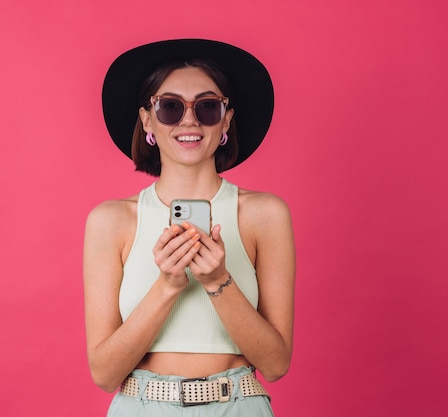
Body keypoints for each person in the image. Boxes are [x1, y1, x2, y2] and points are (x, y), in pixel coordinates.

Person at [83, 39, 295, 416]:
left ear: (226, 118)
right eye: (170, 107)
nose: (189, 120)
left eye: (207, 107)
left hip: (239, 405)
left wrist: (218, 282)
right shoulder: (111, 221)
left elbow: (276, 365)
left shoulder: (265, 214)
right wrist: (166, 286)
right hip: (142, 407)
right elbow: (104, 373)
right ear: (147, 119)